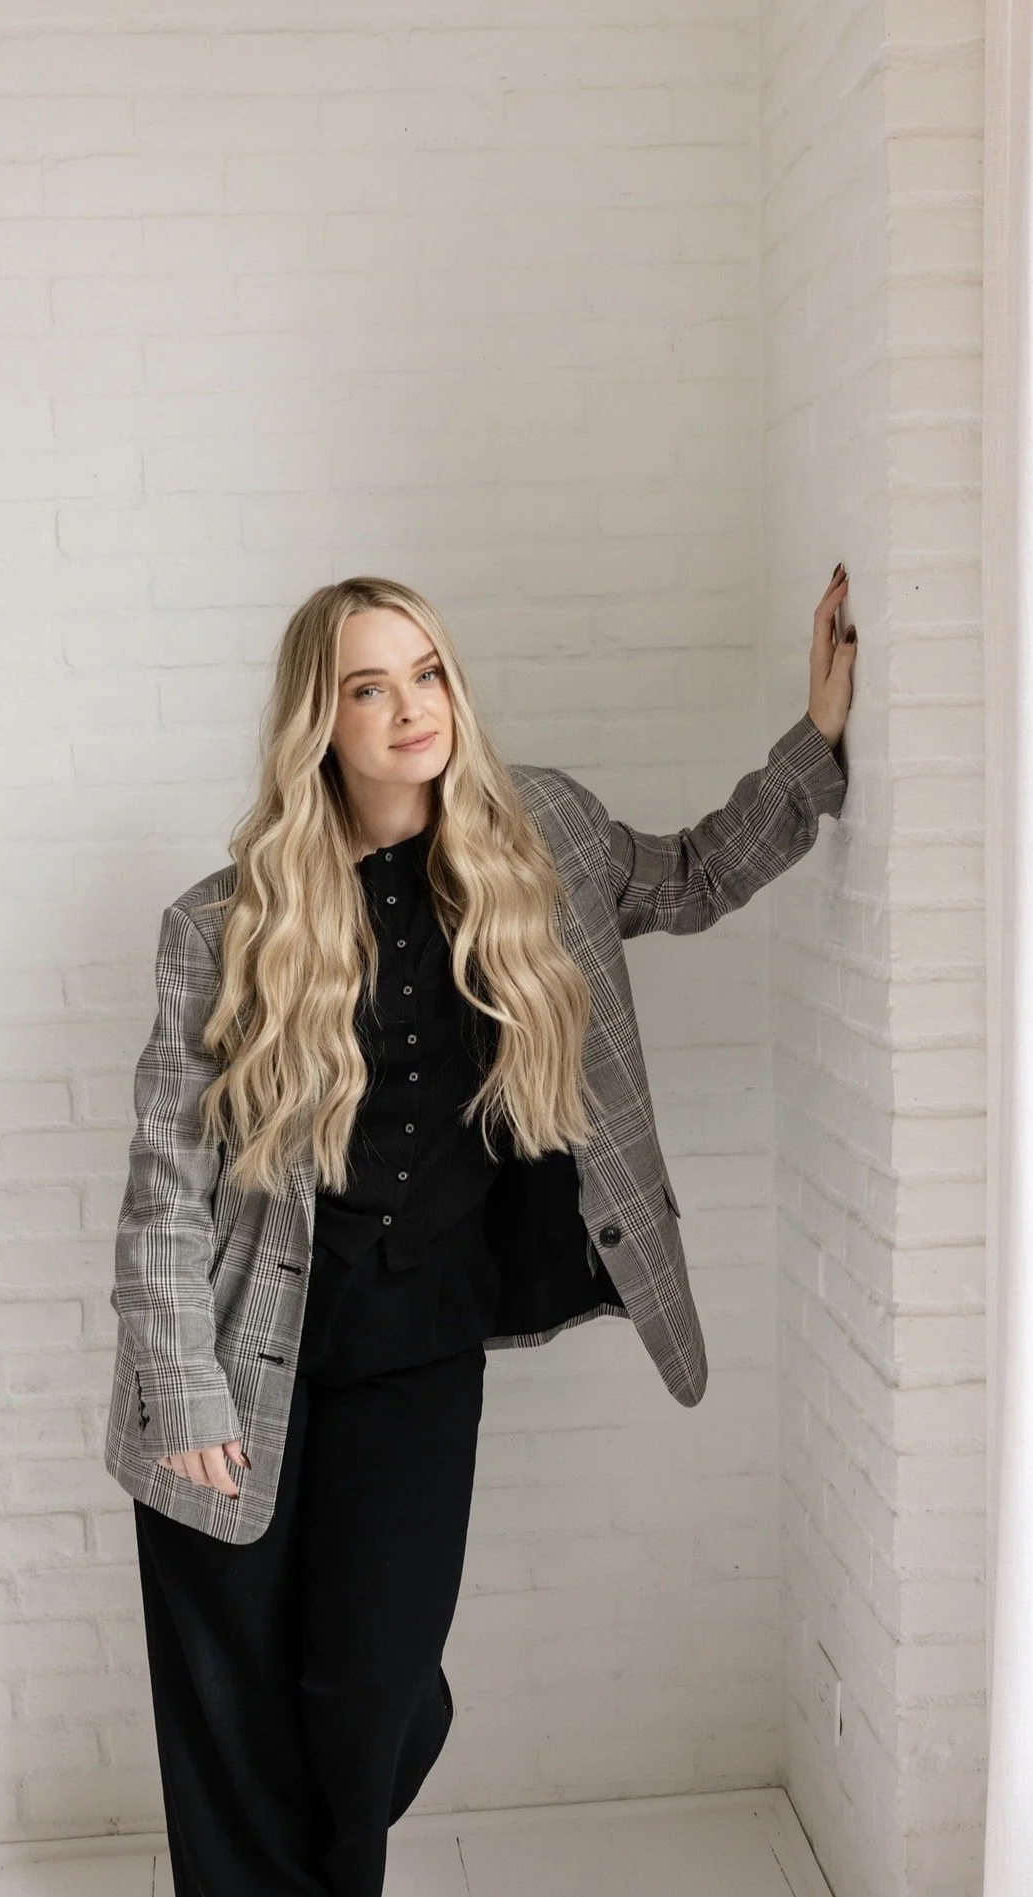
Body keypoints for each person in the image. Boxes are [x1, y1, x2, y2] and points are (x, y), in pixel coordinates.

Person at [104, 569, 856, 1897]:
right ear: (320, 721)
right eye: (369, 687)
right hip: (237, 1354)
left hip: (418, 1342)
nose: (412, 709)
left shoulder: (542, 839)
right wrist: (181, 1384)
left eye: (428, 673)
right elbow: (168, 1181)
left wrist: (819, 741)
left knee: (369, 1692)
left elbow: (690, 877)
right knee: (233, 1715)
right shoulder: (224, 925)